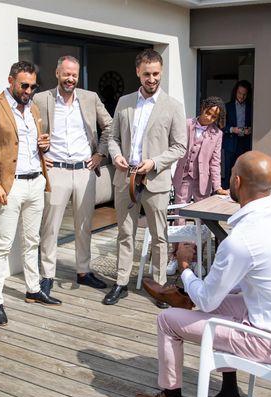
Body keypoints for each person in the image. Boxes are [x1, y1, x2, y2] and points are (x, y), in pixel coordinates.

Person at [135, 151, 271, 397]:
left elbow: (207, 301)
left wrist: (184, 267)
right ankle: (228, 389)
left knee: (167, 320)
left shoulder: (242, 239)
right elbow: (256, 277)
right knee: (221, 296)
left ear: (237, 182)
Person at [0, 60, 61, 327]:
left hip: (36, 181)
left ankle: (33, 289)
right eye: (24, 85)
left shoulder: (33, 108)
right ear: (11, 80)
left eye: (33, 87)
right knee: (2, 245)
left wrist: (43, 147)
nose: (28, 91)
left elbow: (27, 147)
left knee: (32, 240)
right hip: (8, 187)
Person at [103, 49, 187, 307]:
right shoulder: (124, 102)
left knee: (159, 237)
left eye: (156, 74)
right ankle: (121, 283)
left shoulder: (173, 106)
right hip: (124, 179)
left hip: (155, 181)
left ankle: (160, 286)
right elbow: (113, 138)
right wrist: (116, 155)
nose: (152, 79)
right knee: (124, 234)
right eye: (147, 74)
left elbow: (180, 146)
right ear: (138, 72)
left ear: (161, 72)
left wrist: (154, 163)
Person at [33, 56, 113, 297]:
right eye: (66, 74)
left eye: (74, 75)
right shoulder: (40, 99)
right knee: (50, 226)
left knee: (83, 224)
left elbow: (109, 126)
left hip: (84, 171)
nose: (70, 78)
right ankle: (47, 275)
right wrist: (38, 155)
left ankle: (83, 270)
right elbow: (27, 130)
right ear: (57, 73)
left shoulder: (90, 98)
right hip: (55, 169)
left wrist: (100, 153)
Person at [167, 96, 228, 274]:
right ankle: (175, 255)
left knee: (200, 220)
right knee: (179, 215)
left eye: (214, 117)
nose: (209, 118)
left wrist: (217, 187)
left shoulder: (217, 134)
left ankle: (195, 258)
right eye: (208, 113)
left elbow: (215, 162)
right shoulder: (185, 124)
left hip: (203, 181)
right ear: (203, 108)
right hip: (183, 177)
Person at [221, 80, 252, 189]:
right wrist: (232, 129)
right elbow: (220, 126)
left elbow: (256, 122)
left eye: (244, 94)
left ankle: (241, 192)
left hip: (245, 142)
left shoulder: (251, 107)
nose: (241, 96)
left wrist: (251, 129)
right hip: (230, 142)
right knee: (229, 169)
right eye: (239, 93)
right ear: (235, 92)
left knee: (244, 169)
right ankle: (226, 191)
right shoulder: (226, 107)